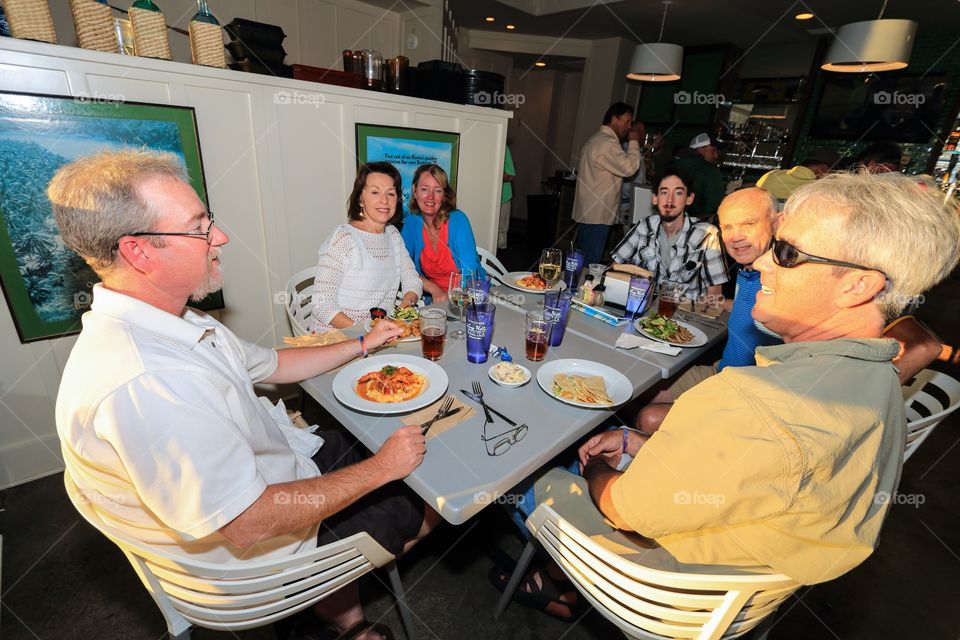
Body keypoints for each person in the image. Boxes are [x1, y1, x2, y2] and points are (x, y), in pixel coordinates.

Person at [50, 150, 439, 640]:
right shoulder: (146, 379)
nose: (221, 237)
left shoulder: (177, 321)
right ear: (139, 252)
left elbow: (273, 362)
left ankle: (340, 617)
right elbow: (248, 522)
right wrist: (384, 467)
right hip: (259, 560)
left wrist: (362, 343)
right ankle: (322, 602)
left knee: (379, 450)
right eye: (199, 227)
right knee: (429, 501)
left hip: (282, 465)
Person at [577, 171, 960, 587]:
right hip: (765, 565)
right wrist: (638, 442)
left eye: (787, 253)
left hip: (675, 582)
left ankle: (542, 585)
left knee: (532, 474)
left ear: (858, 286)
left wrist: (594, 464)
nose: (760, 262)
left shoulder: (751, 401)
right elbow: (758, 475)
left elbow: (623, 510)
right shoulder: (880, 376)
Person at [311, 162, 422, 331]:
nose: (384, 200)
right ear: (360, 199)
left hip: (379, 334)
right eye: (375, 192)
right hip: (337, 336)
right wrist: (364, 333)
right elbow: (321, 304)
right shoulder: (344, 238)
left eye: (391, 194)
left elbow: (413, 281)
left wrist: (403, 311)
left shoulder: (393, 235)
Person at [610, 167, 728, 302]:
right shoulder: (644, 227)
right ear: (655, 198)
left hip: (685, 316)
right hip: (642, 308)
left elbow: (715, 295)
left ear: (689, 198)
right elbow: (614, 268)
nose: (670, 200)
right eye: (664, 192)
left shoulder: (707, 235)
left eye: (678, 193)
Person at [572, 102, 644, 266]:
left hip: (589, 212)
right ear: (614, 119)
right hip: (597, 215)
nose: (629, 126)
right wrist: (634, 142)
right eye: (626, 121)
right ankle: (584, 290)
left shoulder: (595, 139)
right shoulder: (607, 143)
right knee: (591, 265)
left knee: (583, 260)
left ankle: (576, 288)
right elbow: (629, 168)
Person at [400, 163, 481, 302]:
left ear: (444, 195)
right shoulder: (411, 223)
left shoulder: (458, 220)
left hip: (468, 294)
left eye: (437, 190)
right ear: (414, 190)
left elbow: (470, 269)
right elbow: (403, 267)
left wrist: (456, 298)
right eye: (424, 189)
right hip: (433, 299)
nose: (430, 197)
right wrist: (434, 289)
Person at [673, 133, 723, 222]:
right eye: (713, 151)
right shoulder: (710, 171)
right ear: (700, 150)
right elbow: (714, 204)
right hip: (698, 224)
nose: (716, 156)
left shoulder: (671, 164)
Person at [497, 144, 515, 250]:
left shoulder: (504, 147)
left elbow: (511, 175)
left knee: (500, 234)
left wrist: (493, 173)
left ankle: (496, 264)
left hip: (503, 198)